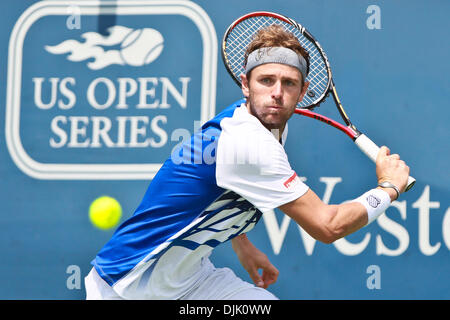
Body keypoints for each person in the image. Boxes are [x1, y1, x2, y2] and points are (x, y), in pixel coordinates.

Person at [84, 25, 409, 300]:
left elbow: (223, 189)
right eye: (266, 80)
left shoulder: (257, 124)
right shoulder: (248, 143)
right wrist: (388, 188)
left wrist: (243, 245)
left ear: (303, 91)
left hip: (192, 281)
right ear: (245, 84)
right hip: (128, 286)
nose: (277, 92)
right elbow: (328, 226)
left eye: (289, 83)